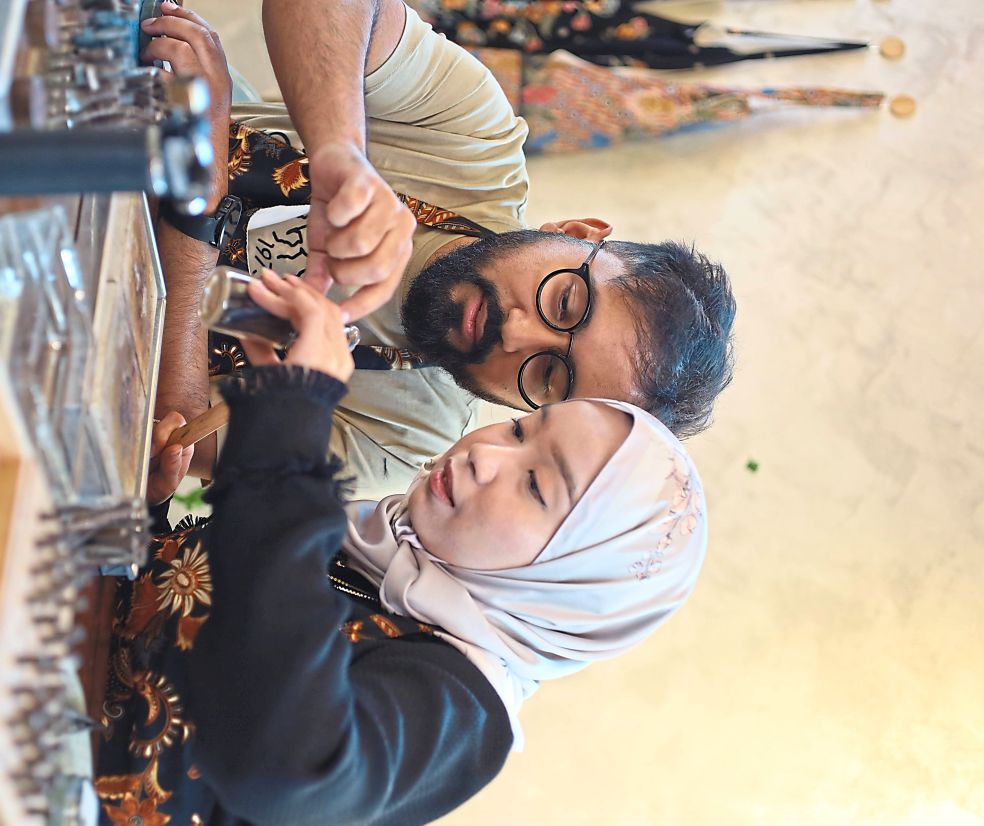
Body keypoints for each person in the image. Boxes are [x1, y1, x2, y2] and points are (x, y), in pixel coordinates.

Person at [96, 270, 709, 826]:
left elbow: (282, 771)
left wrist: (292, 429)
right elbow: (169, 634)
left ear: (572, 582)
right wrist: (146, 515)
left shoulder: (460, 712)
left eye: (534, 485)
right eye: (522, 429)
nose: (486, 456)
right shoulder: (367, 543)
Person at [141, 0, 735, 502]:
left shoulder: (404, 437)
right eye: (563, 301)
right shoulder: (474, 144)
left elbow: (176, 439)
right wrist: (340, 153)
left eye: (551, 375)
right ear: (577, 233)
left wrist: (201, 190)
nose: (517, 335)